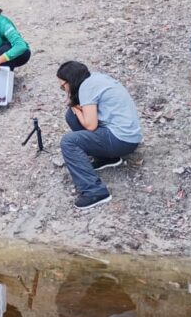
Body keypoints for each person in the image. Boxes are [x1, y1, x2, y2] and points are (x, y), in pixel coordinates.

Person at [55, 61, 142, 211]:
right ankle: (107, 157)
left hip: (121, 139)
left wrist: (75, 107)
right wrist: (74, 110)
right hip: (127, 136)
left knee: (69, 142)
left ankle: (94, 191)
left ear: (71, 81)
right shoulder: (93, 79)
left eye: (63, 86)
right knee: (71, 116)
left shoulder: (86, 88)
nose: (64, 90)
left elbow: (90, 125)